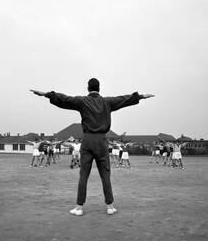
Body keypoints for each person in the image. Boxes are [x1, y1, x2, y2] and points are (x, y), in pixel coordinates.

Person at [30, 78, 154, 215]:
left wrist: (46, 94)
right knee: (105, 175)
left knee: (83, 175)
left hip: (88, 140)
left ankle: (79, 207)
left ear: (88, 88)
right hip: (102, 141)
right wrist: (141, 96)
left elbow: (64, 99)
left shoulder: (83, 101)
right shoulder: (107, 102)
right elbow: (124, 99)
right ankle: (110, 206)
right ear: (99, 88)